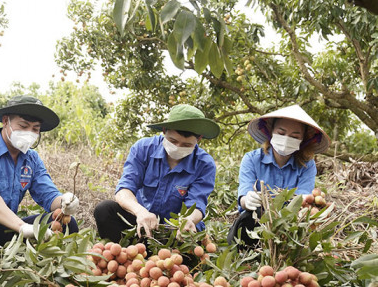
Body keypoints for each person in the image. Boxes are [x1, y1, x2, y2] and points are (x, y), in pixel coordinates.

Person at [0, 95, 80, 248]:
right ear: (6, 121)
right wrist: (21, 226)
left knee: (66, 223)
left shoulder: (31, 159)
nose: (29, 133)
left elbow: (49, 196)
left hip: (6, 225)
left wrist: (65, 202)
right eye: (24, 126)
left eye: (35, 129)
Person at [94, 104, 220, 244]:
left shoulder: (204, 164)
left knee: (187, 246)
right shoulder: (143, 148)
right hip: (140, 222)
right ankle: (125, 254)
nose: (178, 148)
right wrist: (140, 212)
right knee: (104, 210)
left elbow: (197, 204)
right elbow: (124, 190)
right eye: (173, 141)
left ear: (199, 139)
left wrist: (188, 220)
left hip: (175, 230)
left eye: (186, 145)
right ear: (164, 131)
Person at [228, 104, 331, 247]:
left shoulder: (307, 165)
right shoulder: (251, 159)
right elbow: (244, 194)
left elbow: (302, 201)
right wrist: (247, 199)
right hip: (254, 226)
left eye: (295, 136)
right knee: (249, 217)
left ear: (303, 140)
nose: (287, 139)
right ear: (271, 132)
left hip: (289, 229)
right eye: (281, 133)